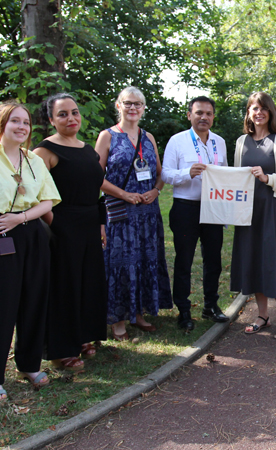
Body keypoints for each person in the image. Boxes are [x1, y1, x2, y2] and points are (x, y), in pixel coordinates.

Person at [0, 100, 60, 401]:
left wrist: (21, 219)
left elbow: (47, 200)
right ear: (0, 124)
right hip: (0, 233)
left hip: (32, 231)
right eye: (15, 121)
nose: (22, 127)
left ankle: (28, 364)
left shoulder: (34, 160)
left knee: (34, 300)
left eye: (26, 123)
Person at [34, 93, 107, 371]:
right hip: (62, 227)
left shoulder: (88, 149)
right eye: (62, 114)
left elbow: (96, 190)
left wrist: (101, 225)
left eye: (74, 112)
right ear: (51, 119)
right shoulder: (45, 151)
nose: (71, 118)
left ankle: (83, 336)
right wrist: (55, 224)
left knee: (88, 283)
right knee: (65, 286)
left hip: (90, 224)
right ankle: (61, 349)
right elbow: (36, 194)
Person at [94, 86, 172, 341]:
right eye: (128, 103)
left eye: (138, 104)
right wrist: (124, 194)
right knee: (120, 264)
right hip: (120, 214)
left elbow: (161, 173)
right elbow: (95, 177)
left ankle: (138, 314)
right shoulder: (107, 136)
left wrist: (157, 191)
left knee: (144, 261)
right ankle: (117, 321)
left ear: (143, 108)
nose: (133, 108)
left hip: (147, 212)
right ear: (118, 106)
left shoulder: (148, 137)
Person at [232, 92, 276, 339]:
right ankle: (262, 316)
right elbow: (237, 177)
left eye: (263, 108)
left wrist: (267, 178)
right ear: (249, 113)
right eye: (254, 108)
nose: (258, 112)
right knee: (253, 261)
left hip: (272, 210)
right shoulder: (241, 142)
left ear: (270, 112)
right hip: (248, 211)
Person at [161, 96, 229, 331]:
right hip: (185, 208)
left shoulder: (219, 142)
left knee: (214, 260)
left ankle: (210, 305)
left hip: (213, 207)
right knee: (184, 261)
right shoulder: (177, 141)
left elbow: (226, 174)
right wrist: (186, 173)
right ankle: (183, 310)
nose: (204, 117)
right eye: (199, 112)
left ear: (213, 117)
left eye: (209, 113)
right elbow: (165, 175)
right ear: (189, 115)